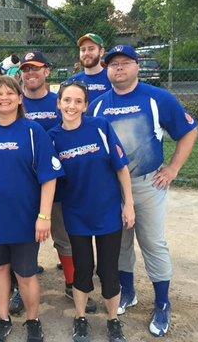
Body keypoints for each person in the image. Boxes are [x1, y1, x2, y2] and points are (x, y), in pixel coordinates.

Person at [89, 45, 198, 337]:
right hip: (112, 187)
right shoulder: (98, 105)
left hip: (147, 183)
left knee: (152, 242)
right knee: (119, 244)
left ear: (137, 66)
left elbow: (189, 131)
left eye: (125, 62)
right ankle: (128, 292)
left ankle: (162, 302)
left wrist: (173, 168)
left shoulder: (157, 98)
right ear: (107, 70)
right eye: (113, 64)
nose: (119, 68)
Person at [0, 76, 64, 342]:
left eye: (11, 93)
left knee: (25, 273)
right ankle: (2, 317)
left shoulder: (33, 132)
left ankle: (33, 320)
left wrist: (44, 217)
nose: (4, 98)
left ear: (20, 99)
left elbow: (49, 178)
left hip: (24, 218)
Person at [49, 80, 135, 342]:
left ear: (86, 105)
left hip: (107, 211)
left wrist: (128, 204)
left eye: (78, 101)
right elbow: (48, 180)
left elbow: (121, 168)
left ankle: (113, 320)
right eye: (67, 100)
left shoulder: (100, 127)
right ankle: (81, 318)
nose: (72, 106)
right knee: (82, 269)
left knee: (109, 270)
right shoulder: (53, 138)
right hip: (76, 215)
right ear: (58, 103)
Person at [7, 51, 61, 316]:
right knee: (24, 239)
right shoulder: (12, 103)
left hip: (58, 178)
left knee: (64, 236)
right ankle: (20, 287)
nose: (30, 74)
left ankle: (73, 283)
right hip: (24, 186)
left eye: (36, 69)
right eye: (26, 70)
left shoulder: (59, 102)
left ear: (47, 72)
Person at [68, 33, 111, 103]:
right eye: (83, 50)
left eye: (91, 49)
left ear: (101, 52)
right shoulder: (72, 81)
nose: (86, 53)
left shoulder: (112, 79)